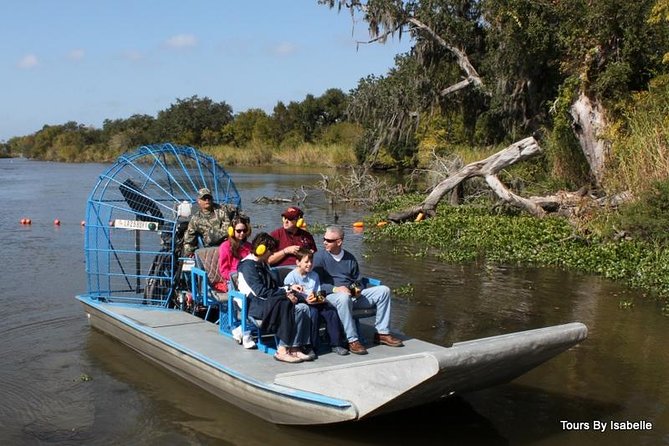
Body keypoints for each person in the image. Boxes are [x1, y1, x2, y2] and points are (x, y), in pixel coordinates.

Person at [312, 225, 404, 355]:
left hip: (351, 296)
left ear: (339, 242)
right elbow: (315, 284)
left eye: (329, 240)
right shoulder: (319, 257)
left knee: (384, 290)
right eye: (324, 239)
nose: (324, 242)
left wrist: (357, 289)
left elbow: (357, 280)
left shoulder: (350, 258)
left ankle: (382, 333)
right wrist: (336, 288)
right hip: (329, 297)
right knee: (344, 298)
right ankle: (352, 340)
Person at [237, 232, 315, 363]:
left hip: (268, 301)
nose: (272, 255)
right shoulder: (247, 266)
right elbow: (260, 292)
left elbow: (273, 288)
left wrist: (289, 288)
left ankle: (296, 347)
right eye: (271, 252)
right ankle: (282, 350)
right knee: (288, 305)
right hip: (253, 305)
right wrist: (285, 294)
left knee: (302, 307)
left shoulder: (262, 263)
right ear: (262, 250)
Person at [283, 248, 349, 356]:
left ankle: (336, 343)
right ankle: (310, 346)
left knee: (330, 311)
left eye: (311, 261)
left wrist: (317, 299)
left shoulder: (314, 275)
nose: (309, 264)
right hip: (300, 303)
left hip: (314, 302)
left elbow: (319, 292)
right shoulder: (292, 276)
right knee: (313, 313)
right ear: (298, 263)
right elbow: (289, 294)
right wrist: (304, 299)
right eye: (306, 262)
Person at [183, 188, 245, 257]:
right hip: (209, 249)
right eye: (204, 198)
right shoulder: (195, 219)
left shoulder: (222, 210)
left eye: (209, 198)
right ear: (199, 201)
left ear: (212, 199)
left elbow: (239, 213)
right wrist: (189, 252)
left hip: (227, 245)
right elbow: (189, 238)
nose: (207, 200)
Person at [214, 217, 252, 293]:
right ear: (231, 231)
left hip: (249, 277)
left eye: (244, 231)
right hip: (233, 280)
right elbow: (224, 270)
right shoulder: (225, 246)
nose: (242, 233)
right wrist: (236, 277)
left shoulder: (249, 246)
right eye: (239, 231)